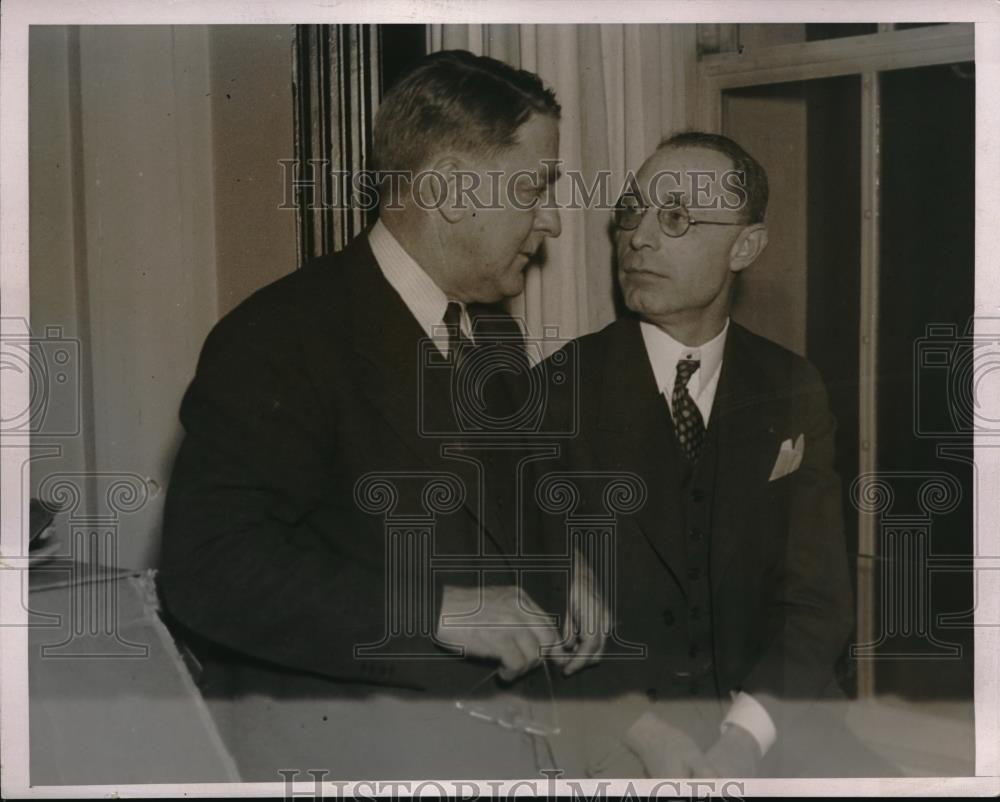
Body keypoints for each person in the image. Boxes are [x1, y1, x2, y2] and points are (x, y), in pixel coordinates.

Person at [157, 50, 577, 780]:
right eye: (535, 187)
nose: (554, 220)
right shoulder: (278, 337)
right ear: (450, 190)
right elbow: (209, 570)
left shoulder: (494, 333)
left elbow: (494, 521)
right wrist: (432, 610)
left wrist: (568, 578)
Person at [531, 131, 888, 778]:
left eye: (675, 218)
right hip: (616, 731)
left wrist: (745, 738)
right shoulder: (556, 390)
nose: (639, 239)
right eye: (632, 213)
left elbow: (816, 602)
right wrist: (642, 732)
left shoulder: (791, 387)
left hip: (767, 726)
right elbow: (532, 595)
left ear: (745, 246)